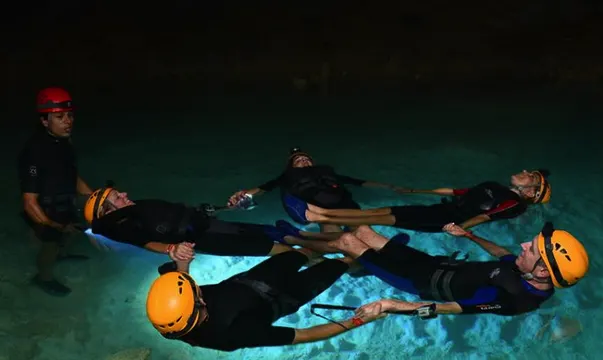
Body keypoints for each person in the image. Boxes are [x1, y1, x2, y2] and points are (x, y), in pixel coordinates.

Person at [145, 245, 385, 351]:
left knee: (299, 254)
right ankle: (356, 266)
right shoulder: (234, 333)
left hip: (252, 278)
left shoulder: (171, 310)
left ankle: (324, 257)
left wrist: (182, 262)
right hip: (286, 296)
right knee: (339, 264)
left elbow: (180, 283)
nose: (203, 297)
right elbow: (306, 335)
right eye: (199, 301)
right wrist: (361, 320)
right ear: (193, 316)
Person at [328, 223, 588, 318]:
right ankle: (358, 265)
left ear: (543, 272)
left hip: (418, 281)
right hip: (433, 263)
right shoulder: (527, 269)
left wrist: (390, 304)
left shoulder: (514, 298)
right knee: (362, 231)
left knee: (347, 242)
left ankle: (303, 247)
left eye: (531, 249)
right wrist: (469, 235)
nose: (523, 246)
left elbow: (448, 308)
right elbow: (501, 253)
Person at [279, 169, 552, 233]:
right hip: (439, 209)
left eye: (531, 177)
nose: (525, 172)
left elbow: (486, 217)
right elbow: (456, 192)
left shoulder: (515, 204)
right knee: (382, 212)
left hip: (446, 221)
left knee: (382, 216)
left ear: (530, 192)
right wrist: (418, 191)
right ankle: (321, 215)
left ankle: (320, 216)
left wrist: (461, 228)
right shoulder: (493, 185)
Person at [83, 187, 304, 260]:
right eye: (117, 198)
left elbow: (174, 214)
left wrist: (226, 207)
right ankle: (315, 260)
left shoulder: (134, 208)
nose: (124, 193)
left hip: (206, 224)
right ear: (107, 212)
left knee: (271, 235)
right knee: (271, 247)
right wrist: (172, 249)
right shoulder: (124, 226)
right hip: (207, 238)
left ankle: (313, 251)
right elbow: (146, 243)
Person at [18, 87, 94, 296]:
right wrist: (55, 226)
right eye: (60, 117)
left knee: (75, 229)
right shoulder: (34, 152)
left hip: (64, 202)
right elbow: (29, 203)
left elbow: (73, 176)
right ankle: (43, 278)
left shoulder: (65, 142)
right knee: (50, 244)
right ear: (44, 121)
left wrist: (96, 199)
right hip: (43, 211)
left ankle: (62, 254)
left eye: (70, 115)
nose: (68, 121)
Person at [226, 147, 401, 233]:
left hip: (343, 204)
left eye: (306, 159)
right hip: (318, 208)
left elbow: (359, 182)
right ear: (292, 166)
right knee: (332, 228)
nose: (303, 161)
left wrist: (388, 186)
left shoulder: (326, 172)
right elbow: (265, 188)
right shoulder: (288, 175)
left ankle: (370, 259)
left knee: (362, 229)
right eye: (298, 160)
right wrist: (244, 194)